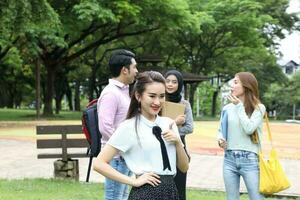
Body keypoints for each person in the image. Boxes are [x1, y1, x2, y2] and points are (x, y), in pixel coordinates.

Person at [94, 71, 189, 200]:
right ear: (138, 96)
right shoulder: (129, 127)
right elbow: (99, 164)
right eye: (152, 96)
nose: (157, 102)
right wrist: (133, 181)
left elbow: (184, 167)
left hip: (170, 191)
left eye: (161, 96)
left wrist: (178, 142)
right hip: (144, 193)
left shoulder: (169, 124)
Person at [217, 72, 266, 200]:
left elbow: (249, 128)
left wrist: (239, 106)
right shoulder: (227, 108)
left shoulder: (259, 108)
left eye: (235, 82)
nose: (232, 85)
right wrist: (220, 139)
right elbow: (220, 129)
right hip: (229, 159)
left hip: (250, 160)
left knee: (256, 197)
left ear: (246, 86)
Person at [97, 49, 138, 200]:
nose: (136, 71)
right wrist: (122, 146)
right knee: (114, 198)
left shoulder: (123, 92)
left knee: (122, 197)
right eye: (134, 67)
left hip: (123, 155)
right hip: (116, 157)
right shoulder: (111, 93)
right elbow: (105, 126)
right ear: (124, 70)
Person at [164, 70, 194, 200]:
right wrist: (174, 123)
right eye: (168, 81)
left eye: (174, 82)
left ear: (179, 84)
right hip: (161, 146)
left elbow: (189, 127)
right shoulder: (158, 101)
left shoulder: (185, 104)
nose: (170, 84)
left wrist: (172, 132)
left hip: (179, 147)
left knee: (179, 186)